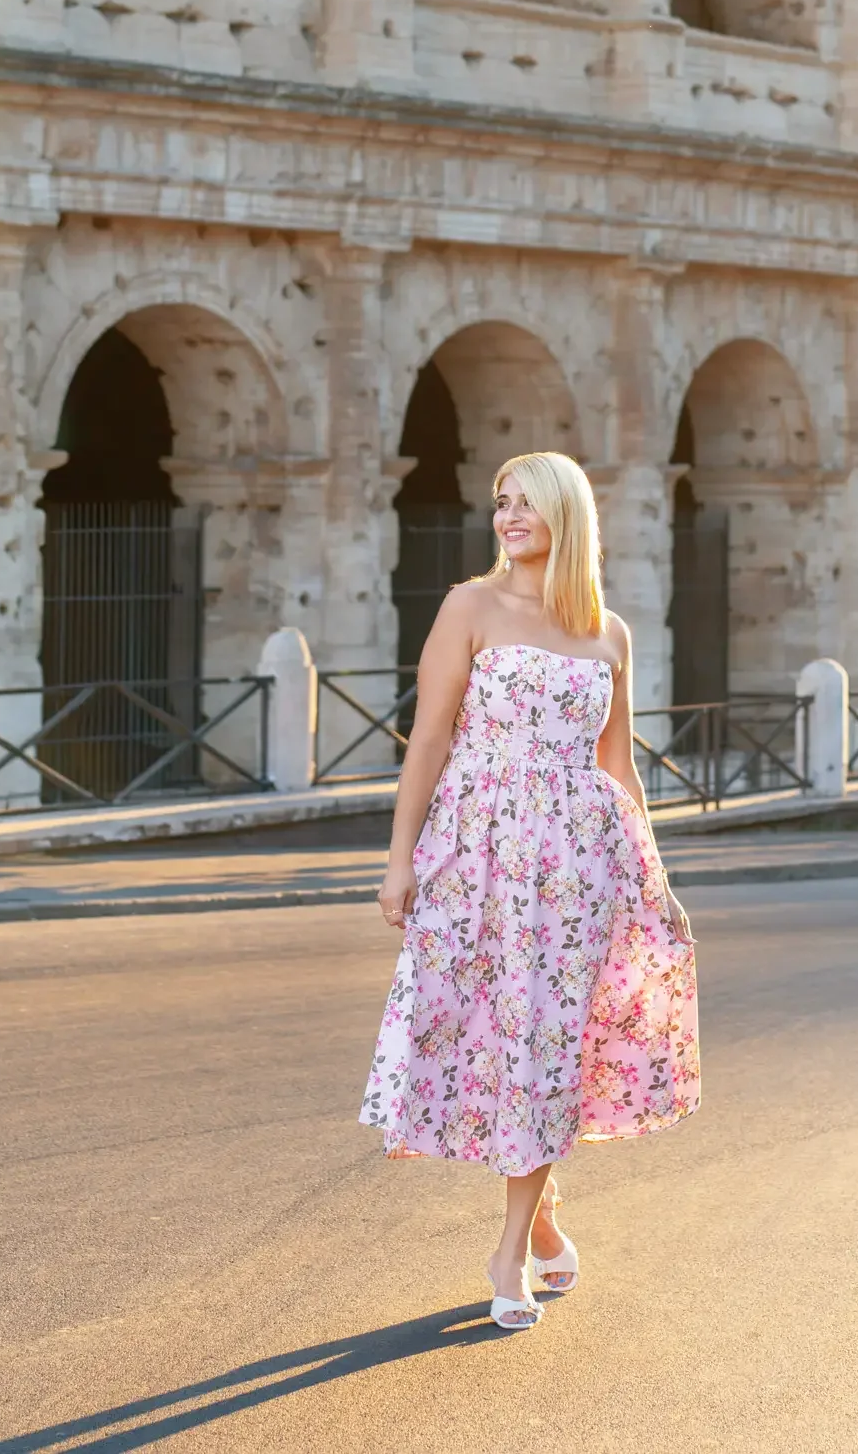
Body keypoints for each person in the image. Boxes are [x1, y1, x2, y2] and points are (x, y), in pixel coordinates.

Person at [360, 449, 701, 1330]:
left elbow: (616, 763)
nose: (508, 517)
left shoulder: (607, 631)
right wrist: (400, 860)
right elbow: (428, 741)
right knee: (485, 1036)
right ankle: (542, 1212)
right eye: (500, 503)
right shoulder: (469, 606)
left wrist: (654, 878)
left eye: (526, 503)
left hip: (581, 866)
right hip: (478, 856)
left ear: (567, 515)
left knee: (549, 1049)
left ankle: (509, 1248)